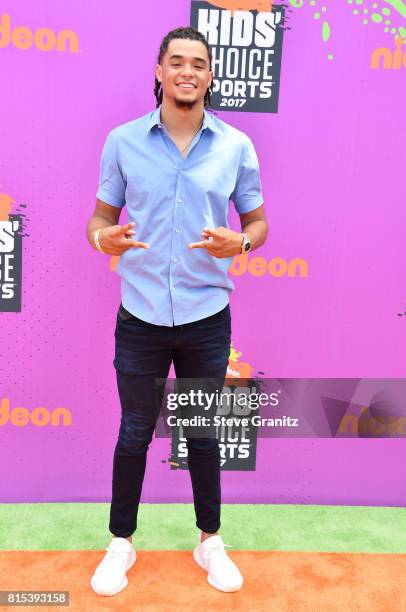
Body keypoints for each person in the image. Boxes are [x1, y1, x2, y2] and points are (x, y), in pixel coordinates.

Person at [86, 26, 268, 596]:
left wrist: (238, 243)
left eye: (199, 63)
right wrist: (102, 240)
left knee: (203, 434)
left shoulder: (236, 146)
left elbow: (258, 225)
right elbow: (98, 219)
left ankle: (208, 540)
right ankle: (121, 542)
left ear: (210, 76)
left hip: (206, 316)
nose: (188, 71)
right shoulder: (122, 141)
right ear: (160, 71)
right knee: (135, 430)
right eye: (178, 62)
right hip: (139, 316)